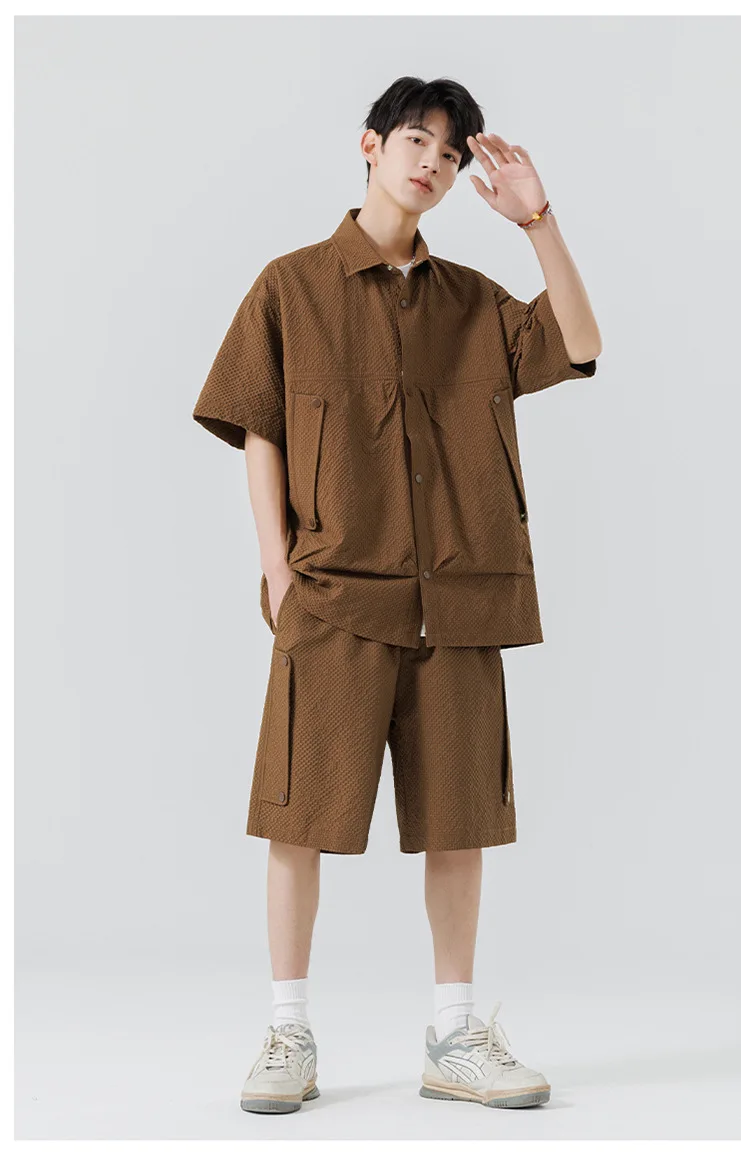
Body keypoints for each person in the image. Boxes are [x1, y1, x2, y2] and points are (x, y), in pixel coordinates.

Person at [192, 75, 601, 1115]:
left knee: (459, 822)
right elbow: (258, 423)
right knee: (298, 817)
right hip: (334, 598)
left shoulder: (471, 302)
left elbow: (581, 343)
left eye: (451, 155)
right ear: (370, 144)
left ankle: (454, 1036)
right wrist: (277, 565)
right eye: (418, 140)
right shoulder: (290, 286)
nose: (434, 163)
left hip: (459, 599)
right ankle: (288, 1032)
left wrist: (539, 223)